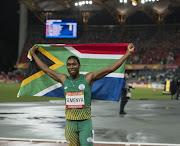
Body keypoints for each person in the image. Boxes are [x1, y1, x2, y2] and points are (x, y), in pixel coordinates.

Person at [30, 43, 135, 146]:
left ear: (79, 66)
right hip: (70, 124)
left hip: (85, 123)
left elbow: (110, 69)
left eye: (74, 64)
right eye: (69, 65)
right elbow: (45, 69)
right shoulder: (63, 79)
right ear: (66, 67)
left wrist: (127, 54)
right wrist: (34, 54)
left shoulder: (88, 78)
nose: (71, 67)